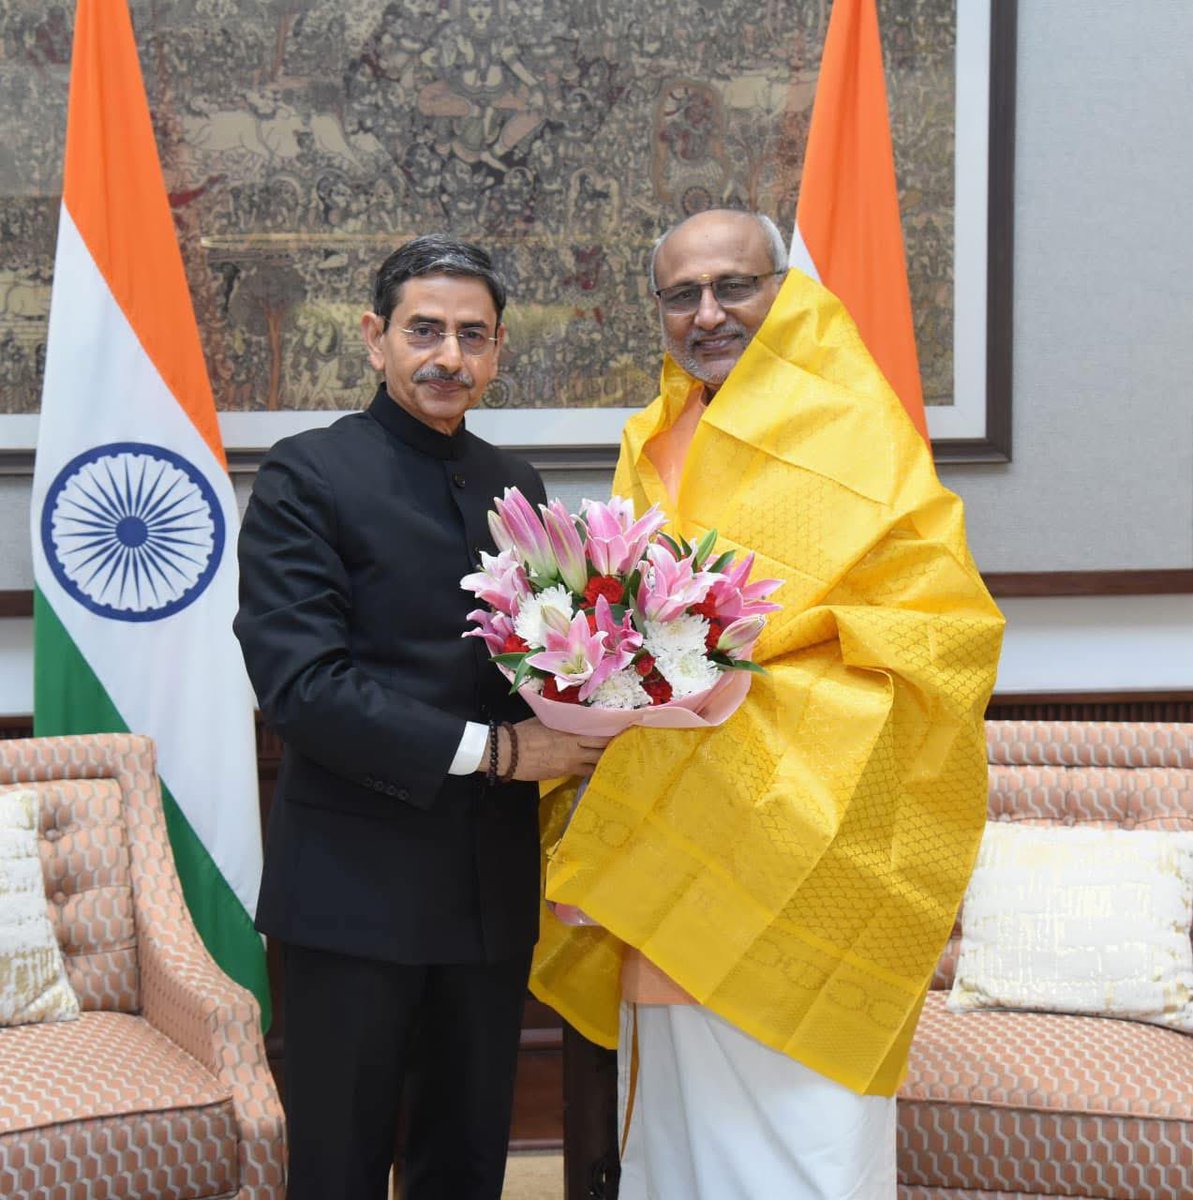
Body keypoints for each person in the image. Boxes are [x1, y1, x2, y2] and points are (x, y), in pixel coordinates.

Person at [529, 209, 1005, 1198]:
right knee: (677, 1135)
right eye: (679, 294)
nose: (706, 313)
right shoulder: (653, 438)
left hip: (806, 835)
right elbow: (631, 625)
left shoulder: (853, 425)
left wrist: (750, 668)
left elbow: (943, 630)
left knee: (807, 1142)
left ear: (784, 291)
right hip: (677, 842)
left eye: (732, 286)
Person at [234, 235, 608, 1200]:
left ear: (497, 352)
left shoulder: (513, 482)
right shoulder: (304, 477)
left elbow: (537, 658)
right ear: (375, 338)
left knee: (466, 1163)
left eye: (472, 336)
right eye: (425, 331)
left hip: (486, 895)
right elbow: (301, 687)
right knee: (340, 1170)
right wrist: (500, 751)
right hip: (352, 895)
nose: (449, 357)